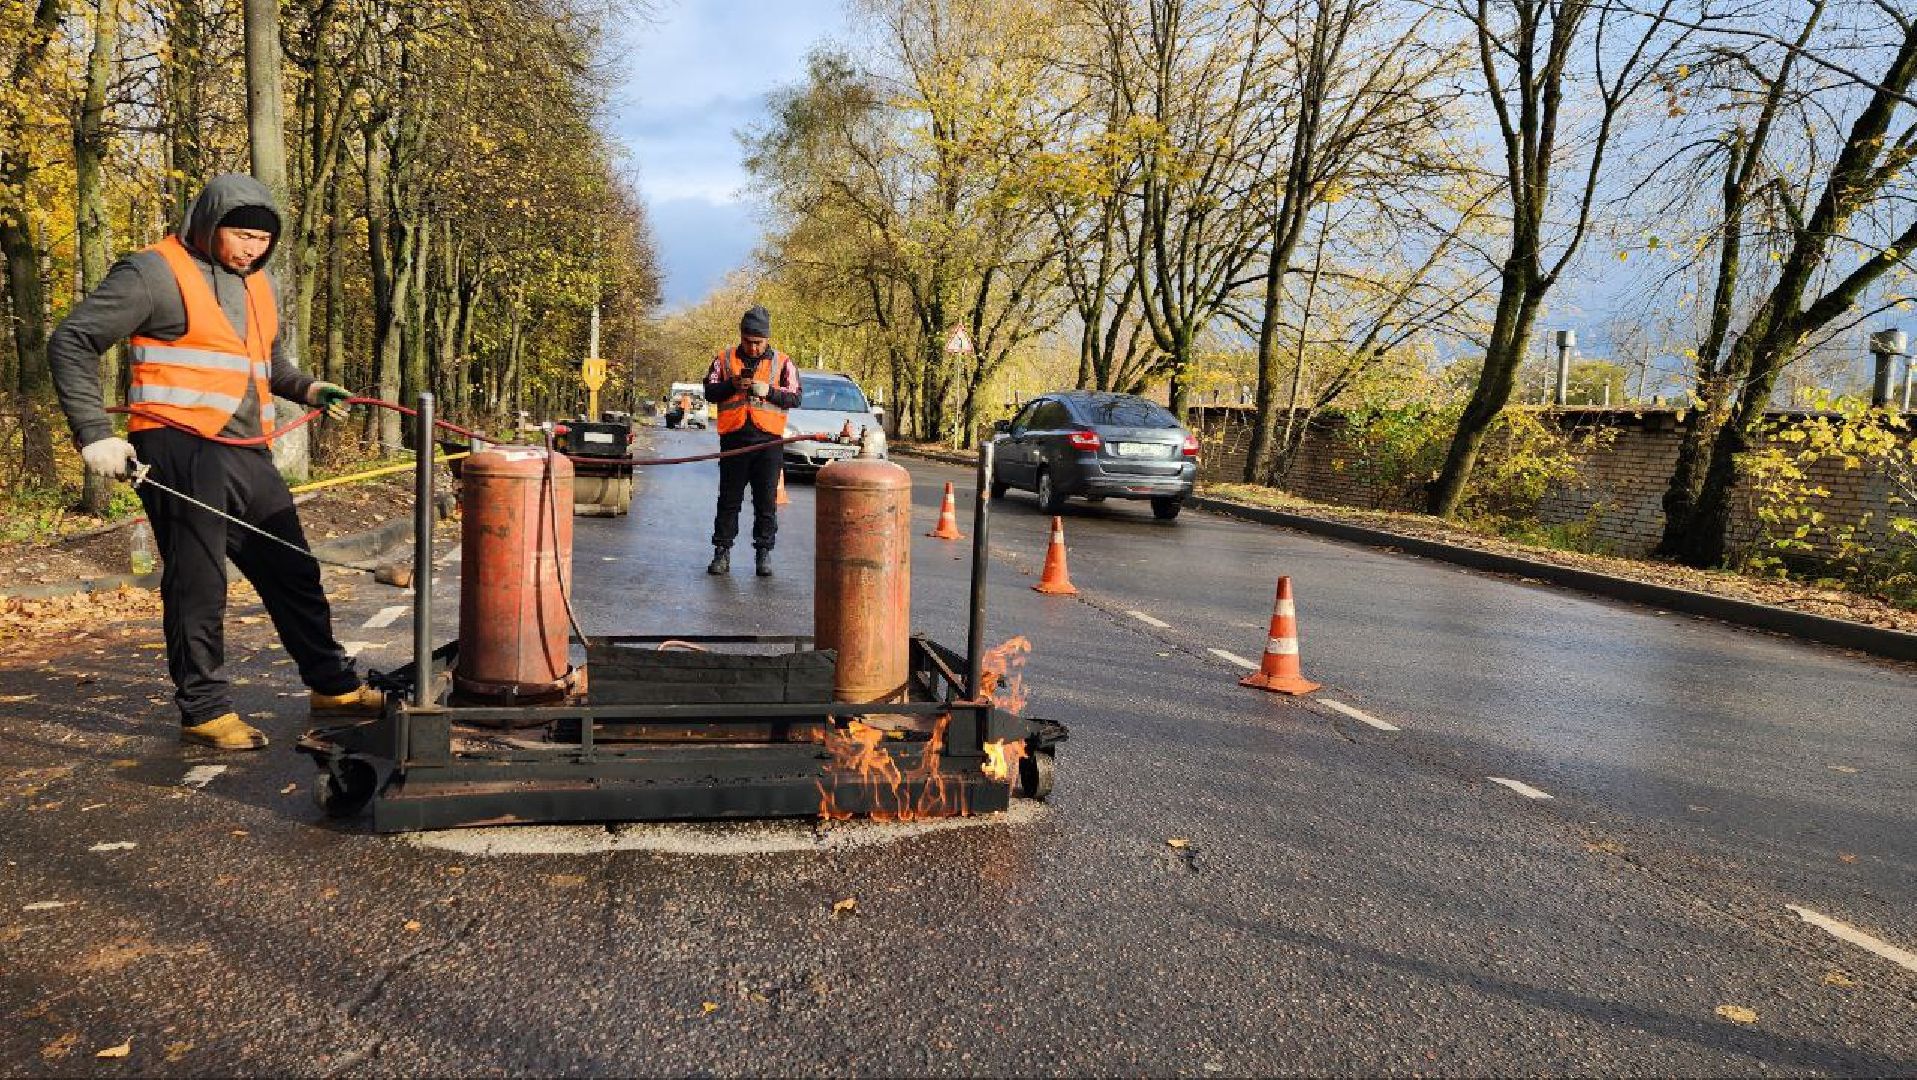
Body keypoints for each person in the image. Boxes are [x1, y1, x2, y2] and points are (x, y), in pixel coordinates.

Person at [48, 174, 384, 752]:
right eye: (242, 235)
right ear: (208, 224)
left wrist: (308, 388)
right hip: (178, 447)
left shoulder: (260, 285)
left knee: (292, 568)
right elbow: (72, 340)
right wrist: (94, 435)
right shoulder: (154, 271)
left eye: (262, 239)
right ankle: (203, 709)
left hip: (242, 449)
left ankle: (331, 685)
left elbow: (267, 364)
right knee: (199, 583)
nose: (252, 248)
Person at [702, 305, 800, 577]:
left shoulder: (783, 363)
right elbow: (709, 391)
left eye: (758, 343)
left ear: (767, 339)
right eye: (748, 341)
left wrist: (768, 392)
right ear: (741, 336)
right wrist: (731, 385)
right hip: (734, 440)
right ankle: (721, 552)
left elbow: (795, 397)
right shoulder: (723, 360)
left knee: (765, 501)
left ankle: (763, 553)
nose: (753, 348)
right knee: (729, 500)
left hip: (768, 443)